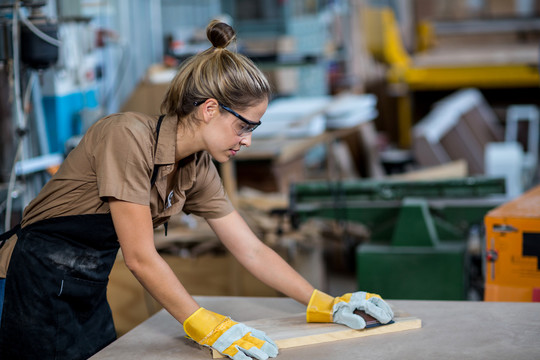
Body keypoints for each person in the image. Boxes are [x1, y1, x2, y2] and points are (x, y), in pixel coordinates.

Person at [0, 20, 393, 360]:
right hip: (29, 281)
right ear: (209, 110)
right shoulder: (125, 136)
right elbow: (139, 257)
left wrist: (321, 302)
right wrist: (205, 324)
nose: (248, 141)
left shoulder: (196, 169)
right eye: (245, 126)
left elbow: (250, 248)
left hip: (85, 286)